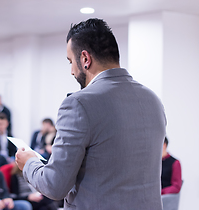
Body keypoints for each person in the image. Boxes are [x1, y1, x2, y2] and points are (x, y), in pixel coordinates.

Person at [15, 18, 166, 210]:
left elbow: (54, 185)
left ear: (85, 59)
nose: (71, 71)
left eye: (71, 61)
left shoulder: (78, 103)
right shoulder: (153, 100)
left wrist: (30, 163)